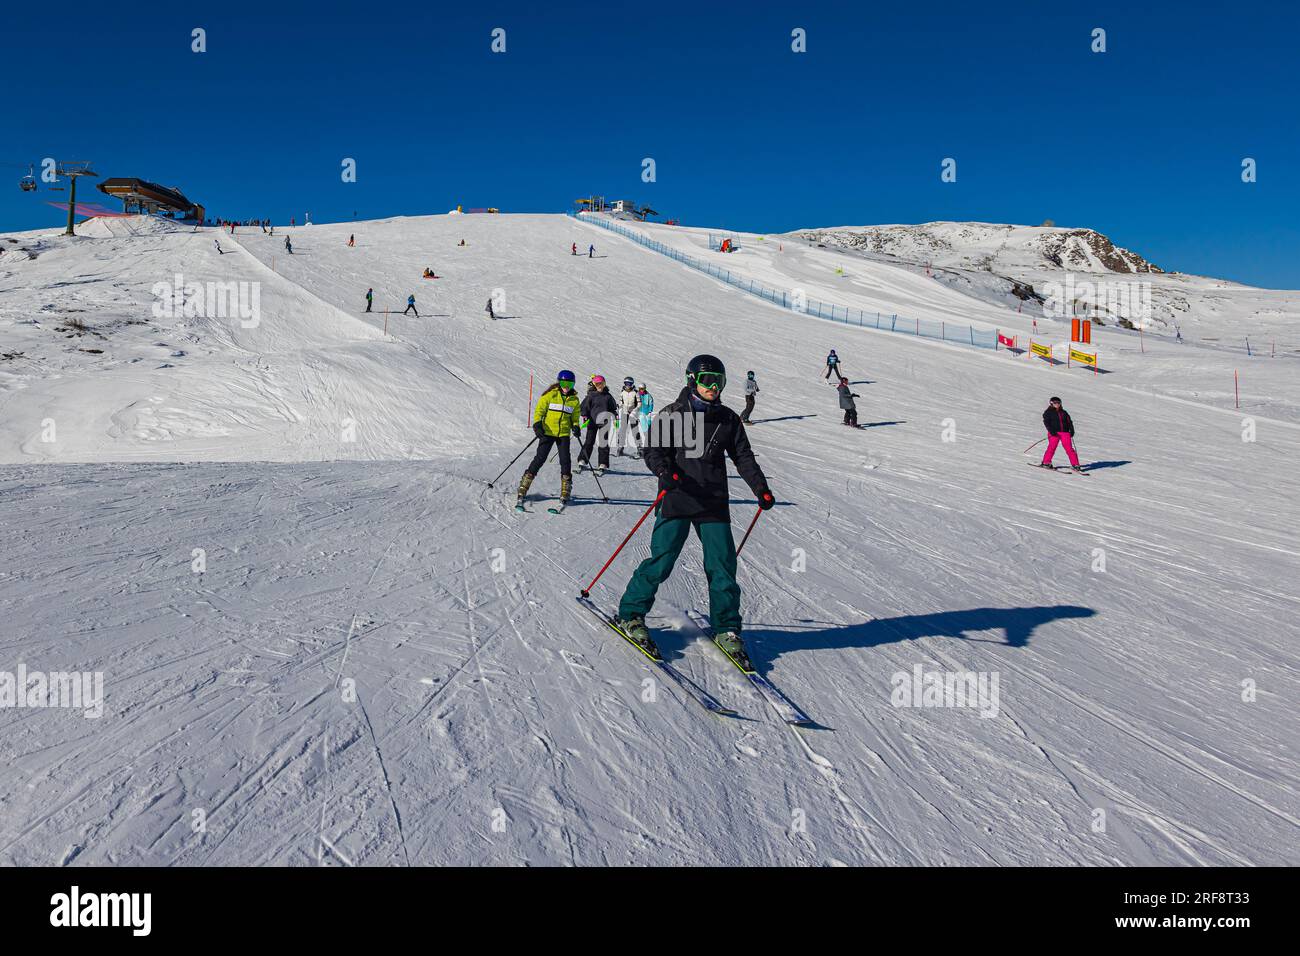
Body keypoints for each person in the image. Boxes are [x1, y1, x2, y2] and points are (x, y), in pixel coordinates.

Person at [615, 355, 774, 669]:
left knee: (723, 566)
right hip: (677, 496)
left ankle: (726, 628)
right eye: (707, 380)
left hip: (713, 500)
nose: (713, 387)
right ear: (692, 381)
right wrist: (666, 472)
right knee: (661, 560)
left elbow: (744, 458)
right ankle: (631, 613)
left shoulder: (728, 419)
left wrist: (761, 488)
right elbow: (653, 450)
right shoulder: (673, 414)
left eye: (719, 381)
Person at [517, 370, 582, 508]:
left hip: (563, 433)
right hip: (547, 432)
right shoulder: (550, 395)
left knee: (565, 460)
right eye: (564, 383)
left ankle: (565, 490)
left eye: (569, 383)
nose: (566, 386)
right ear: (559, 382)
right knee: (540, 458)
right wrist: (537, 424)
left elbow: (575, 417)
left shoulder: (574, 400)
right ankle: (524, 486)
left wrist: (576, 426)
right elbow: (539, 411)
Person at [579, 375, 617, 474]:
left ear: (604, 384)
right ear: (594, 385)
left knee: (603, 443)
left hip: (604, 422)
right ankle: (583, 460)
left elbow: (613, 408)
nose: (600, 386)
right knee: (589, 441)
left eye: (601, 384)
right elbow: (583, 407)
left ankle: (603, 463)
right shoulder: (591, 395)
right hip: (592, 421)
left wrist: (615, 416)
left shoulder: (608, 396)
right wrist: (585, 415)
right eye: (597, 384)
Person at [1039, 396, 1082, 472]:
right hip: (1054, 433)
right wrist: (1051, 431)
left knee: (1069, 449)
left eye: (1058, 403)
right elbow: (1046, 422)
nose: (1057, 404)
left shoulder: (1064, 412)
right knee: (1052, 447)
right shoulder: (1048, 412)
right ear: (1051, 403)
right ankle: (1046, 462)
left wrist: (1071, 430)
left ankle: (1075, 465)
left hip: (1065, 433)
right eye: (1055, 403)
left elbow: (1069, 422)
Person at [615, 377, 640, 456]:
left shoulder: (635, 392)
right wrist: (618, 406)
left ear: (632, 384)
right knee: (622, 430)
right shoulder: (622, 392)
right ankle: (620, 447)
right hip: (625, 412)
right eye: (626, 383)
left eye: (629, 384)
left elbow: (639, 404)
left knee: (635, 430)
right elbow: (621, 402)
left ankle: (639, 448)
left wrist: (634, 411)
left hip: (633, 413)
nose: (627, 385)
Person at [635, 383, 654, 458]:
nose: (641, 390)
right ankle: (642, 447)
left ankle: (649, 446)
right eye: (640, 389)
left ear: (645, 388)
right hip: (640, 414)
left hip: (647, 414)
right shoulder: (637, 395)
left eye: (642, 389)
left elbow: (651, 404)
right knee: (641, 430)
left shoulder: (648, 396)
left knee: (648, 429)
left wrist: (650, 411)